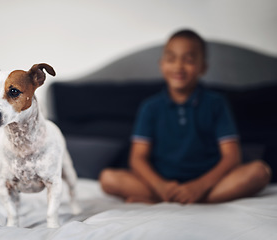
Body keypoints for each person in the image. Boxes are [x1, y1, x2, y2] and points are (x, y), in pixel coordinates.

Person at [99, 29, 272, 204]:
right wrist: (161, 186)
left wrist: (199, 186)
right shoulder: (150, 107)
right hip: (162, 183)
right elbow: (137, 158)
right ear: (161, 65)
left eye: (188, 60)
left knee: (259, 172)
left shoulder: (216, 103)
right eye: (171, 59)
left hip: (210, 183)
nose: (178, 66)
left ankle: (179, 199)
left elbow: (231, 157)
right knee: (108, 178)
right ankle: (174, 197)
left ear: (202, 67)